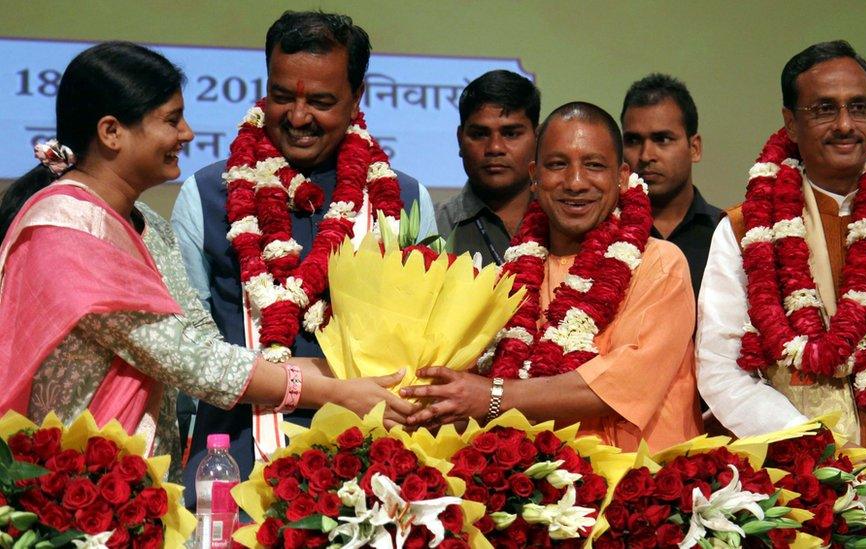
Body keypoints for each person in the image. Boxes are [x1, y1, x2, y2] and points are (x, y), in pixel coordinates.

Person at [0, 42, 413, 482]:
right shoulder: (68, 227)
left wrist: (344, 372)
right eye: (171, 120)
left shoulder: (149, 225)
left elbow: (201, 337)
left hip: (136, 482)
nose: (188, 134)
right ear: (111, 132)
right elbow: (189, 360)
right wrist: (331, 391)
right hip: (70, 486)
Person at [171, 11, 436, 505]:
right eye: (281, 96)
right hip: (237, 475)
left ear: (358, 98)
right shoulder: (206, 195)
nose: (297, 116)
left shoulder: (404, 200)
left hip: (374, 479)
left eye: (320, 101)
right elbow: (187, 355)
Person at [696, 40, 866, 491]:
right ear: (791, 121)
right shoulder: (745, 230)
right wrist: (815, 451)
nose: (846, 125)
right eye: (825, 109)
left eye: (859, 107)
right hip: (796, 490)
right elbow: (721, 367)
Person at [402, 102, 702, 453]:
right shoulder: (509, 276)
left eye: (594, 165)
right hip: (528, 483)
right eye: (558, 165)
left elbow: (618, 387)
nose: (575, 183)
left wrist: (492, 397)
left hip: (638, 489)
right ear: (535, 175)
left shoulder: (659, 264)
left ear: (621, 177)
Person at [620, 73, 722, 297]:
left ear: (694, 148)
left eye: (662, 139)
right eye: (633, 141)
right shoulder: (605, 235)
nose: (646, 155)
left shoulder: (725, 235)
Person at [436, 70, 539, 264]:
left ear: (537, 138)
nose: (495, 148)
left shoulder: (562, 222)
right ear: (460, 140)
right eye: (480, 134)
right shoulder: (432, 227)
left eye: (511, 134)